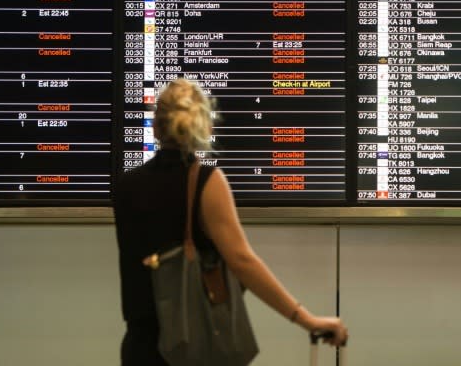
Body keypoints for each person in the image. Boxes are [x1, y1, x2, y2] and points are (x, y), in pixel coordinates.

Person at [113, 78, 348, 365]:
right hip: (192, 347)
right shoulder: (206, 182)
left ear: (156, 126)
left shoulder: (125, 186)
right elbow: (242, 261)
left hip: (140, 349)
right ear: (204, 126)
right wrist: (306, 319)